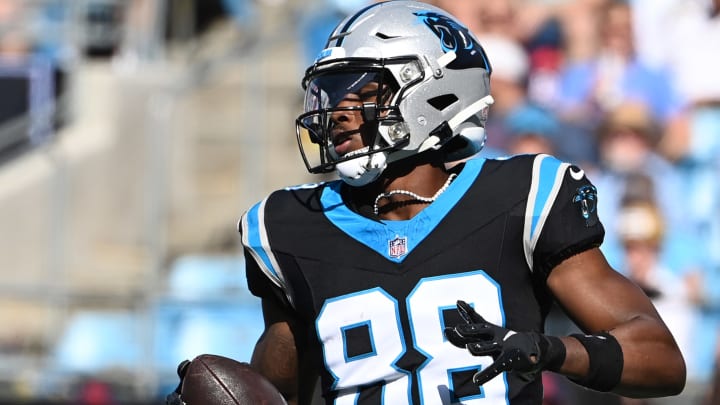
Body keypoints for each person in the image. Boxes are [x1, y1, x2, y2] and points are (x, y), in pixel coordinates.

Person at [237, 2, 686, 404]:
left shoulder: (520, 196)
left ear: (433, 92)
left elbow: (660, 360)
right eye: (333, 94)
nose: (338, 113)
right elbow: (278, 388)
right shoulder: (289, 226)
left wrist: (548, 349)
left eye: (364, 94)